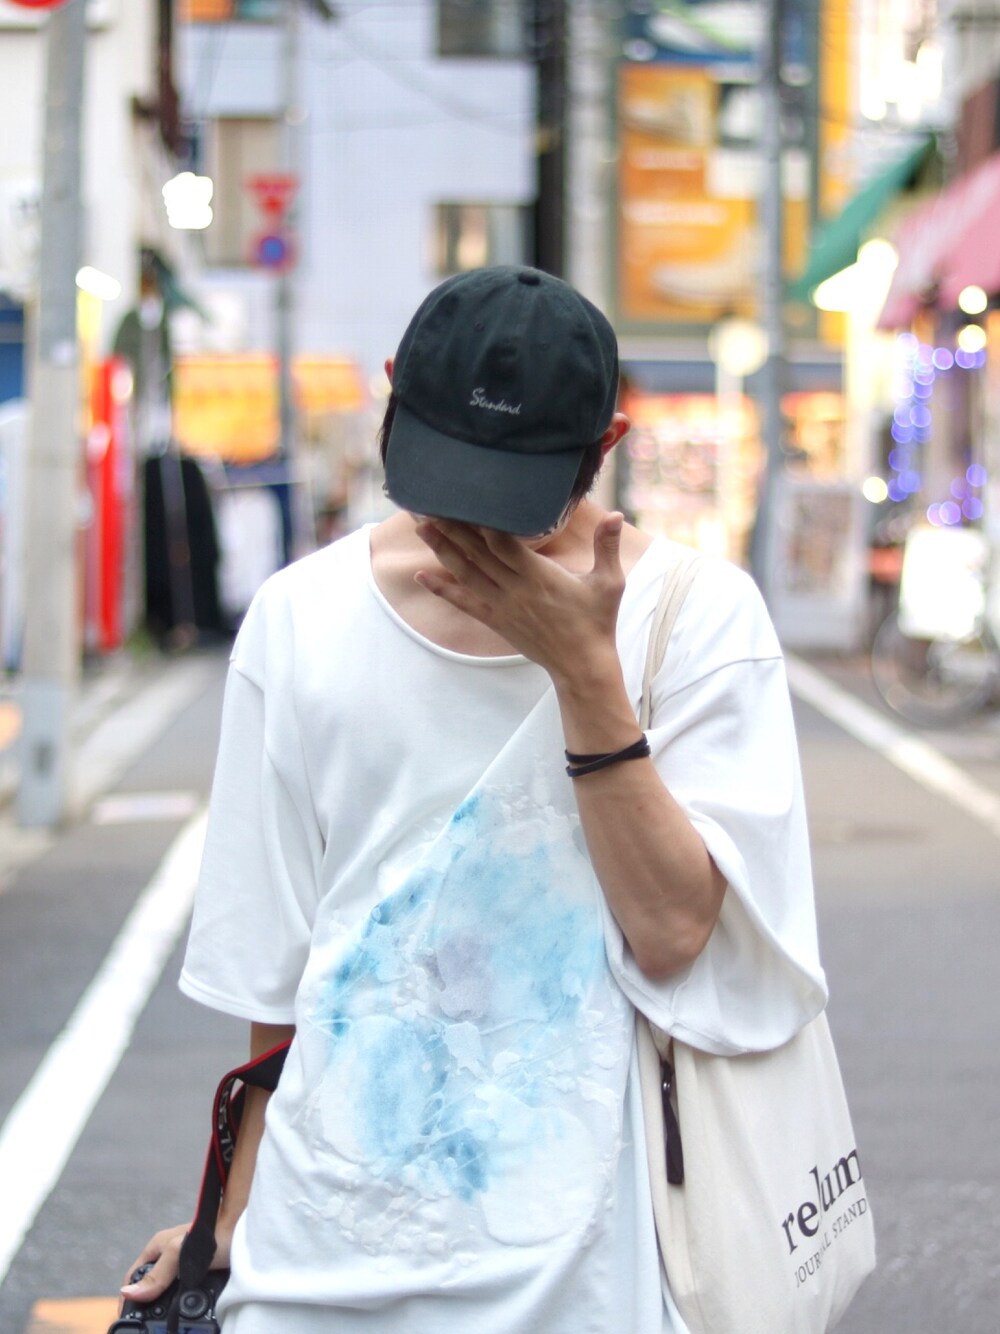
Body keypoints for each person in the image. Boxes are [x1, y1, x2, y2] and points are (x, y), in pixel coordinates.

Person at [123, 265, 828, 1333]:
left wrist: (584, 672)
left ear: (605, 444)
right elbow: (279, 975)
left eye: (511, 484)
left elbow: (675, 931)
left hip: (591, 1280)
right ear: (392, 392)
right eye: (443, 467)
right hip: (318, 1268)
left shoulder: (701, 619)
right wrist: (227, 1219)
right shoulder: (299, 616)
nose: (466, 515)